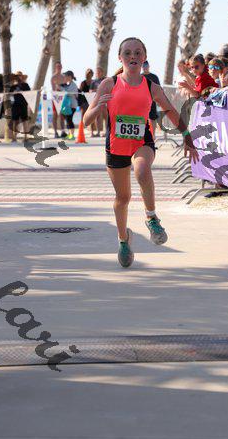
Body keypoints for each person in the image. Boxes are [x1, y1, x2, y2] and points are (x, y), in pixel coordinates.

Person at [83, 37, 199, 268]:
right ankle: (123, 240)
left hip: (141, 141)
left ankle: (152, 217)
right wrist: (98, 107)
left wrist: (187, 136)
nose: (133, 56)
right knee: (122, 198)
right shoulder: (109, 83)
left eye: (137, 52)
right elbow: (86, 121)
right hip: (116, 145)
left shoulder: (150, 86)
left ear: (144, 57)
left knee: (142, 170)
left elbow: (170, 110)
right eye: (127, 53)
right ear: (120, 58)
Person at [10, 71, 30, 142]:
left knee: (24, 121)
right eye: (17, 76)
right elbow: (9, 95)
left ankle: (26, 137)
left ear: (22, 76)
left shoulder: (25, 85)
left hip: (23, 105)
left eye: (20, 75)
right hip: (15, 105)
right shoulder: (13, 86)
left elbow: (29, 94)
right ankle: (14, 137)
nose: (18, 77)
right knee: (15, 121)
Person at [142, 60, 161, 135]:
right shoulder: (140, 76)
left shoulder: (154, 77)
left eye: (146, 66)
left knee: (152, 118)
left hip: (152, 100)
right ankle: (143, 136)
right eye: (143, 66)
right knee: (143, 118)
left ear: (149, 66)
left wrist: (158, 99)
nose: (145, 67)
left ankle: (153, 136)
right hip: (142, 101)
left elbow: (159, 89)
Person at [60, 70, 79, 140]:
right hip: (68, 105)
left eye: (66, 76)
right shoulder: (68, 84)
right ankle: (70, 134)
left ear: (70, 77)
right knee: (68, 120)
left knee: (69, 119)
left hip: (72, 105)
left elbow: (68, 93)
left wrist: (61, 88)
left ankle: (72, 135)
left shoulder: (73, 85)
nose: (64, 77)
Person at [51, 61, 67, 138]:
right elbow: (54, 89)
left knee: (62, 115)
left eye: (60, 67)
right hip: (55, 97)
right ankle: (55, 132)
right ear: (55, 68)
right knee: (55, 115)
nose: (59, 68)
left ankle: (63, 131)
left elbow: (65, 88)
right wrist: (58, 88)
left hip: (62, 97)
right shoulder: (53, 77)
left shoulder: (64, 77)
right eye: (57, 67)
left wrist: (60, 88)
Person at [79, 68, 96, 137]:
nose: (89, 75)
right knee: (83, 117)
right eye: (88, 73)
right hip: (84, 102)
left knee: (92, 117)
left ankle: (92, 132)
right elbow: (79, 92)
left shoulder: (94, 82)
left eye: (90, 74)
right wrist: (80, 104)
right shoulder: (83, 83)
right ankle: (81, 131)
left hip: (92, 102)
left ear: (92, 74)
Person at [91, 67, 106, 136]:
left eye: (99, 72)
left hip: (105, 100)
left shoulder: (106, 80)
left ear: (102, 72)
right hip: (97, 101)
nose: (98, 73)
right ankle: (98, 132)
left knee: (106, 116)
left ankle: (106, 131)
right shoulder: (93, 82)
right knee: (97, 117)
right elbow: (90, 91)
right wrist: (97, 91)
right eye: (97, 72)